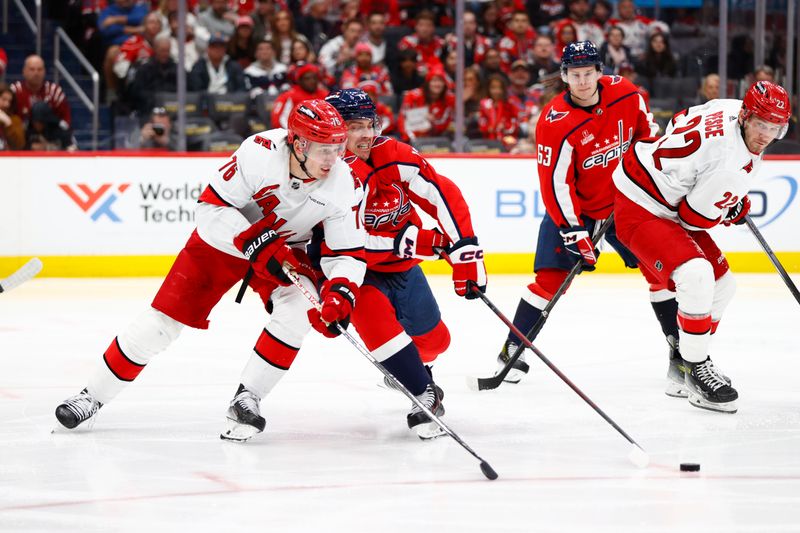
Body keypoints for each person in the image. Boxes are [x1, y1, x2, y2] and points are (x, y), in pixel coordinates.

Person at [55, 99, 367, 443]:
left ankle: (247, 398)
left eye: (337, 147)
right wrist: (254, 241)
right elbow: (209, 210)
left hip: (284, 253)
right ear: (299, 143)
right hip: (223, 242)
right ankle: (91, 396)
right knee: (162, 323)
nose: (332, 158)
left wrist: (341, 291)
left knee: (299, 310)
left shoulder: (345, 182)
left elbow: (347, 253)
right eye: (324, 149)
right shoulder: (259, 151)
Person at [492, 41, 670, 385]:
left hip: (626, 204)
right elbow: (555, 184)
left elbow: (649, 140)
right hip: (578, 210)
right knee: (550, 280)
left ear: (600, 73)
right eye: (576, 75)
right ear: (564, 77)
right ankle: (513, 348)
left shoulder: (626, 94)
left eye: (589, 74)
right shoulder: (555, 122)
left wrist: (656, 188)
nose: (584, 81)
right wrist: (573, 230)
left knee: (661, 272)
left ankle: (680, 356)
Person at [612, 81, 791, 412]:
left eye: (775, 128)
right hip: (640, 205)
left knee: (724, 285)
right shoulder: (731, 165)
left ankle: (683, 362)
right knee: (696, 274)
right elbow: (692, 218)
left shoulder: (726, 106)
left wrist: (695, 181)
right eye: (761, 124)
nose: (766, 135)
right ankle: (695, 370)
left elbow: (678, 119)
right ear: (745, 116)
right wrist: (728, 209)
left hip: (651, 179)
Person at [325, 88, 487, 438]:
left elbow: (440, 192)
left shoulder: (392, 154)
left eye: (370, 124)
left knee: (435, 342)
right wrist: (412, 241)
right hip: (358, 273)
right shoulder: (327, 174)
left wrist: (465, 248)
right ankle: (421, 391)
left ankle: (411, 371)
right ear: (336, 130)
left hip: (403, 267)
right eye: (355, 126)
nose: (366, 134)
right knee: (381, 331)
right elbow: (342, 241)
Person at [11, 55, 71, 127]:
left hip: (50, 135)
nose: (36, 73)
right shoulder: (14, 91)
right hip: (20, 135)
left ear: (44, 72)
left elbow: (66, 121)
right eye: (32, 69)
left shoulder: (55, 92)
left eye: (39, 69)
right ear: (24, 71)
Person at [0, 82, 25, 150]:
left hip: (8, 159)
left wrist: (8, 123)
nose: (7, 104)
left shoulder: (15, 120)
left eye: (9, 101)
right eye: (3, 99)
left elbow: (19, 145)